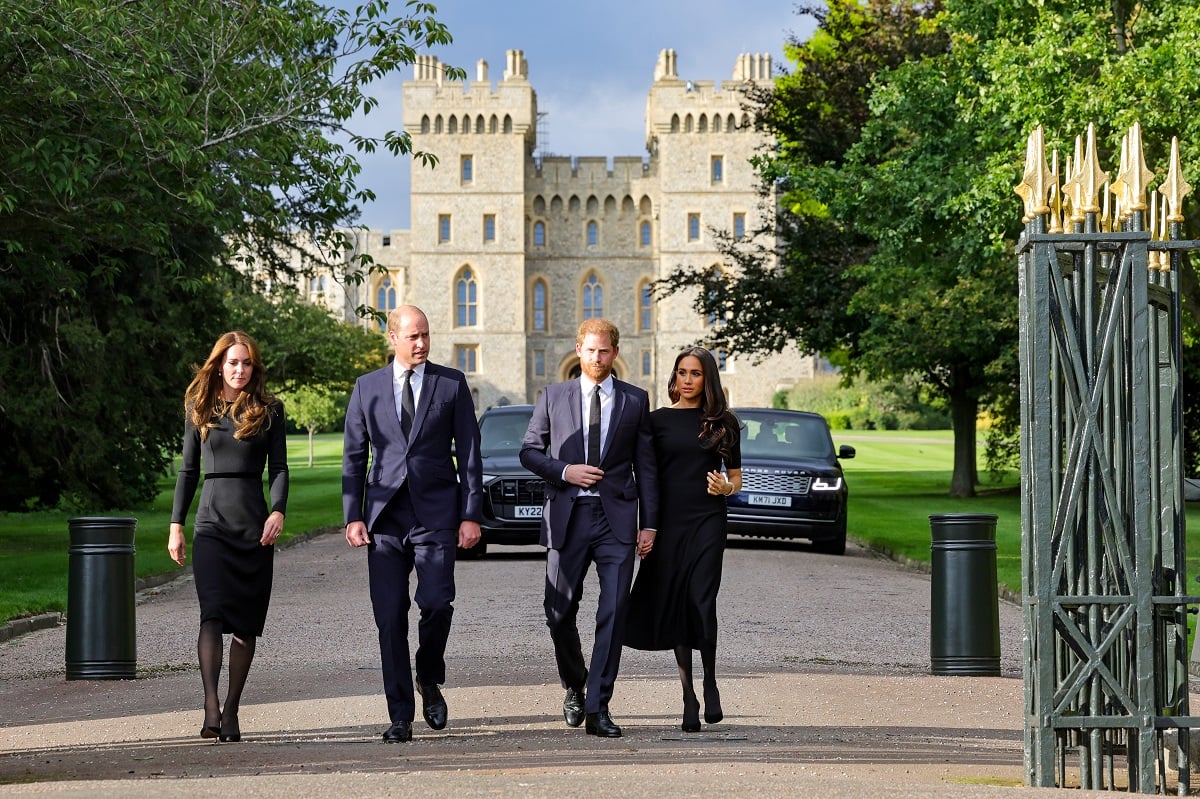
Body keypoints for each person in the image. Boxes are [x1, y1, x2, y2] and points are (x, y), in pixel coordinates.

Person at [342, 305, 483, 743]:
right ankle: (400, 715)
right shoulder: (367, 388)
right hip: (384, 517)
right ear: (393, 338)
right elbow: (353, 456)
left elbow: (471, 453)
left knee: (437, 602)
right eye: (413, 336)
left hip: (436, 513)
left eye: (425, 335)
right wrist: (354, 515)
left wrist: (470, 514)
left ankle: (429, 675)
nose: (421, 343)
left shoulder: (451, 383)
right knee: (389, 617)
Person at [520, 318, 658, 738]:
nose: (597, 358)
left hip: (617, 519)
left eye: (604, 351)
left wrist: (649, 524)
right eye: (590, 350)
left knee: (614, 612)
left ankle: (599, 706)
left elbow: (646, 468)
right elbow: (528, 451)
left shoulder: (636, 400)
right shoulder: (553, 396)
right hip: (568, 515)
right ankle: (575, 683)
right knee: (558, 612)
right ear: (578, 349)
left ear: (615, 353)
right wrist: (564, 471)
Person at [168, 331, 288, 744]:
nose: (240, 370)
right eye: (233, 362)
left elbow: (281, 469)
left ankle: (233, 707)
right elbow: (187, 471)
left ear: (254, 368)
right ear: (219, 363)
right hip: (212, 526)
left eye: (247, 363)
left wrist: (278, 510)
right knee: (212, 614)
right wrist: (175, 525)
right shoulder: (199, 407)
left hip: (254, 527)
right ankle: (211, 704)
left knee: (246, 624)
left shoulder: (269, 410)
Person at [624, 347, 742, 732]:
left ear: (708, 378)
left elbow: (736, 477)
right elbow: (647, 478)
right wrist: (647, 526)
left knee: (701, 600)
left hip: (708, 520)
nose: (687, 380)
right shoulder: (655, 421)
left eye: (695, 373)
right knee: (676, 603)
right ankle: (688, 695)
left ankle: (709, 680)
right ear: (674, 377)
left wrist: (726, 487)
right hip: (668, 523)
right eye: (681, 372)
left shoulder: (723, 422)